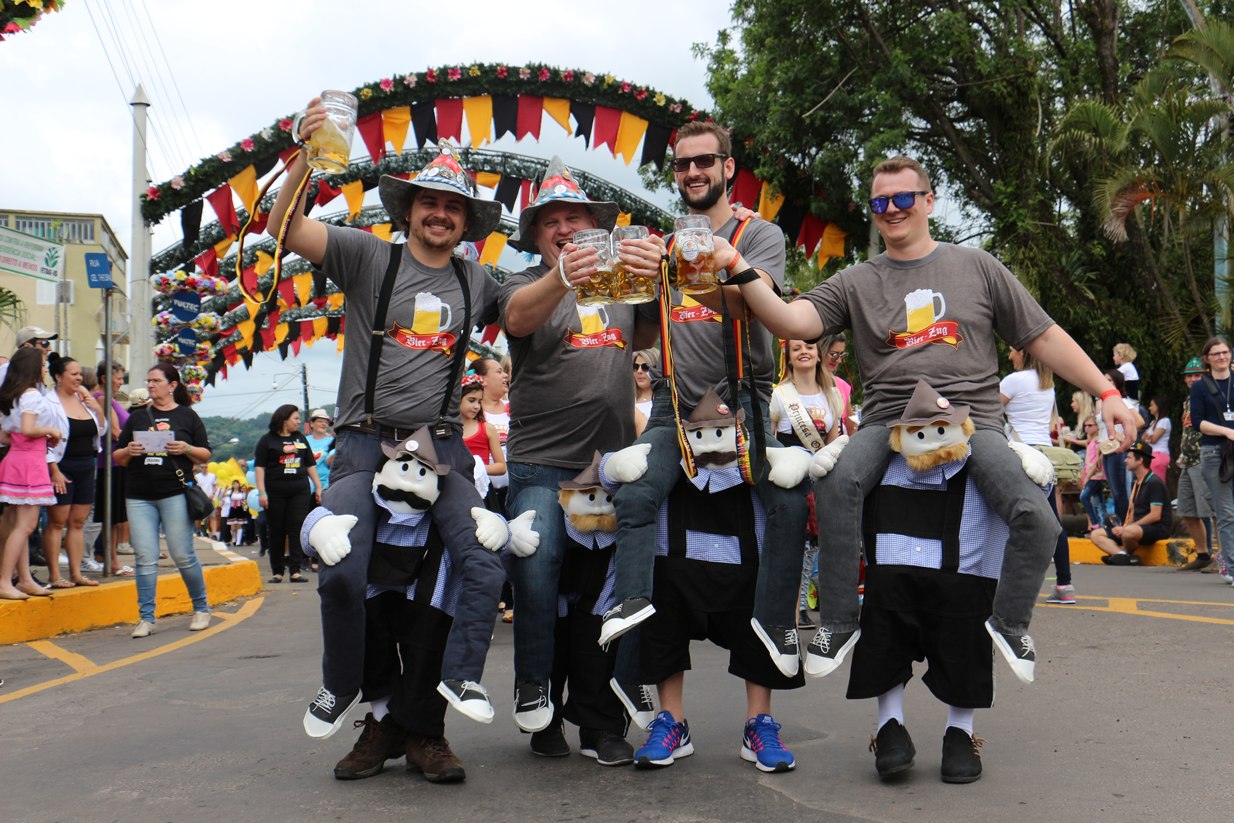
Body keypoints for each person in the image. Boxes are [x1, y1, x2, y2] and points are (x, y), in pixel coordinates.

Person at [727, 155, 1137, 681]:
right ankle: (838, 620)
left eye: (903, 198)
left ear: (928, 202)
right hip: (888, 421)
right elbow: (789, 320)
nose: (892, 210)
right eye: (880, 203)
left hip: (973, 421)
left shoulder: (978, 266)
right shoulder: (856, 280)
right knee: (836, 485)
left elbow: (1042, 336)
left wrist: (1105, 391)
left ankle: (1011, 623)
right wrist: (735, 266)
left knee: (1038, 518)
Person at [269, 105, 504, 758]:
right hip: (365, 446)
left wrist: (575, 274)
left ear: (466, 222)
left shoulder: (476, 279)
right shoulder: (367, 255)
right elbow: (282, 229)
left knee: (468, 566)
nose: (440, 213)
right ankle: (361, 701)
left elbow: (532, 313)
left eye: (453, 206)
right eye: (429, 201)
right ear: (408, 210)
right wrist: (305, 153)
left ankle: (428, 724)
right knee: (344, 572)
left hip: (441, 451)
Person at [602, 121, 812, 691]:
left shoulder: (759, 234)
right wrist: (611, 279)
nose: (692, 172)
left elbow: (754, 307)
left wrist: (680, 273)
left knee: (790, 505)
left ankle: (778, 624)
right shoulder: (664, 243)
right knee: (637, 490)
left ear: (727, 168)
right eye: (681, 164)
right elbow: (642, 334)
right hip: (675, 408)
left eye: (704, 161)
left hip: (744, 403)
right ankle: (632, 603)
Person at [498, 155, 654, 761]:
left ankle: (599, 723)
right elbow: (517, 319)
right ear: (536, 235)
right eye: (551, 221)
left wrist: (660, 267)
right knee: (538, 572)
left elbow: (652, 330)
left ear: (596, 226)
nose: (565, 228)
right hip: (541, 465)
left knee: (601, 597)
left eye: (577, 218)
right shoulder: (525, 286)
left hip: (608, 470)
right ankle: (538, 698)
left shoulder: (620, 291)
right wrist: (564, 274)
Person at [113, 363, 212, 637]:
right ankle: (146, 617)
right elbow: (117, 457)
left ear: (172, 385)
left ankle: (201, 608)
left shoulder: (188, 417)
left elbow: (205, 454)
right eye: (149, 380)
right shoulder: (137, 417)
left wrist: (186, 448)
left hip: (175, 493)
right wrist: (129, 450)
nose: (151, 385)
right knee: (144, 558)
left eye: (156, 380)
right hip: (139, 495)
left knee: (183, 554)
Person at [769, 339, 843, 628]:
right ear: (788, 358)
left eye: (809, 347)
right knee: (789, 547)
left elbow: (834, 439)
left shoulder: (832, 394)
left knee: (814, 550)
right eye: (796, 348)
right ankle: (784, 612)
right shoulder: (780, 395)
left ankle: (801, 610)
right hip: (790, 477)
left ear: (817, 355)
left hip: (819, 477)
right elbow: (772, 437)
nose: (804, 351)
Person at [999, 346, 1075, 605]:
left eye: (1012, 351)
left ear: (1024, 352)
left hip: (1020, 454)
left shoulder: (1013, 381)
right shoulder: (1047, 384)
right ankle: (1065, 585)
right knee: (1053, 521)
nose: (1010, 357)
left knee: (1005, 519)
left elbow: (986, 410)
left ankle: (1003, 586)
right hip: (1046, 456)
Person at [43, 354, 106, 588]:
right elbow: (42, 440)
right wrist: (54, 470)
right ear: (59, 377)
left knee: (78, 522)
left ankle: (76, 573)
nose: (79, 377)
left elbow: (100, 430)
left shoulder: (83, 399)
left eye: (80, 373)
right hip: (61, 465)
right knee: (57, 522)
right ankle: (54, 575)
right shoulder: (47, 402)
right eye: (74, 374)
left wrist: (96, 408)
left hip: (86, 465)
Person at [0, 348, 58, 599]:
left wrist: (22, 443)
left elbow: (4, 435)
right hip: (30, 464)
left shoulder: (9, 395)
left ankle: (23, 578)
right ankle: (5, 580)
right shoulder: (31, 394)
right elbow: (28, 427)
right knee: (25, 526)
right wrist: (51, 431)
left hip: (15, 460)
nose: (45, 368)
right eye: (43, 363)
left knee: (16, 524)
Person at [255, 404, 322, 584]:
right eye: (296, 418)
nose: (299, 422)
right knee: (277, 530)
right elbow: (259, 468)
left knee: (296, 528)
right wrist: (262, 492)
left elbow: (310, 464)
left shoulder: (300, 438)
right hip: (274, 492)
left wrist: (318, 487)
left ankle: (295, 570)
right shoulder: (267, 440)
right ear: (284, 419)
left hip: (299, 490)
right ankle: (277, 571)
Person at [1187, 336, 1234, 582]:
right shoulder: (1200, 386)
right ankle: (1231, 566)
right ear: (1207, 359)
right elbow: (1198, 422)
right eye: (1216, 354)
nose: (1221, 357)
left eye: (1225, 352)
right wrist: (1226, 431)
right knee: (1226, 512)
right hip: (1215, 452)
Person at [1088, 439, 1172, 565]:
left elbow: (1155, 515)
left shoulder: (1154, 483)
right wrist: (1123, 527)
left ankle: (1123, 555)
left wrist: (1128, 528)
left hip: (1156, 528)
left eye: (1129, 457)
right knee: (1096, 534)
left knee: (1127, 532)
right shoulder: (1137, 482)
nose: (1125, 460)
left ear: (1140, 460)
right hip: (1135, 528)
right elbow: (1133, 511)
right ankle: (1122, 555)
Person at [1175, 358, 1215, 571]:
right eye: (1189, 375)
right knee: (1187, 510)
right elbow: (1188, 430)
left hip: (1205, 458)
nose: (1192, 379)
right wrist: (1182, 453)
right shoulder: (1187, 400)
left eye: (1197, 375)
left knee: (1212, 509)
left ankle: (1223, 556)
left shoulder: (1211, 395)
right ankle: (1203, 554)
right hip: (1188, 460)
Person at [92, 360, 132, 573]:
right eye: (118, 378)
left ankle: (110, 556)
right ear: (105, 378)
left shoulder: (107, 399)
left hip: (116, 462)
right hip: (111, 463)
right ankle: (112, 559)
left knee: (116, 516)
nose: (121, 382)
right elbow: (115, 432)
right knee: (112, 516)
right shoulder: (103, 399)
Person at [1097, 370, 1142, 521]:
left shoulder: (1123, 402)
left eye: (1109, 380)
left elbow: (1139, 421)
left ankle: (1126, 524)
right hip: (1106, 451)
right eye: (1104, 380)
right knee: (1114, 491)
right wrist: (1099, 453)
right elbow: (1102, 431)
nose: (1106, 383)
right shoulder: (1102, 403)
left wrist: (1124, 437)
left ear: (1117, 383)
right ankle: (1121, 525)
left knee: (1121, 491)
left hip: (1118, 450)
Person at [1076, 416, 1108, 530]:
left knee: (1084, 497)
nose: (1087, 428)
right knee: (1098, 501)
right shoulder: (1091, 442)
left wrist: (1087, 477)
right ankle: (1103, 524)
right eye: (1085, 426)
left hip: (1096, 476)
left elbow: (1096, 463)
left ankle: (1095, 523)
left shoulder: (1098, 441)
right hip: (1092, 476)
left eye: (1090, 425)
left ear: (1097, 427)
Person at [305, 408, 335, 491]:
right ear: (311, 424)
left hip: (326, 485)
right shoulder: (304, 440)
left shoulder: (332, 441)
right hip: (308, 485)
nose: (323, 424)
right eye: (320, 421)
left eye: (326, 422)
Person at [1143, 397, 1172, 482]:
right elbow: (1143, 438)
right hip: (1152, 454)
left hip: (1159, 454)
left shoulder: (1164, 421)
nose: (1149, 408)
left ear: (1158, 406)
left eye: (1152, 405)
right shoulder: (1153, 423)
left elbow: (1154, 439)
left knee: (1157, 482)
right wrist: (1148, 437)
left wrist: (1148, 437)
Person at [631, 349, 657, 438]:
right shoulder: (627, 399)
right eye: (635, 366)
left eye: (645, 367)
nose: (639, 371)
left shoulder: (667, 399)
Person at [220, 480, 247, 546]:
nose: (235, 485)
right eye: (234, 484)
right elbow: (221, 496)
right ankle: (234, 539)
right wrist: (225, 489)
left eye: (237, 484)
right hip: (232, 509)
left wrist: (244, 503)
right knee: (232, 527)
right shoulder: (230, 492)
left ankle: (238, 541)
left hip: (239, 509)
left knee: (239, 526)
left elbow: (244, 501)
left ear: (239, 485)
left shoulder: (242, 493)